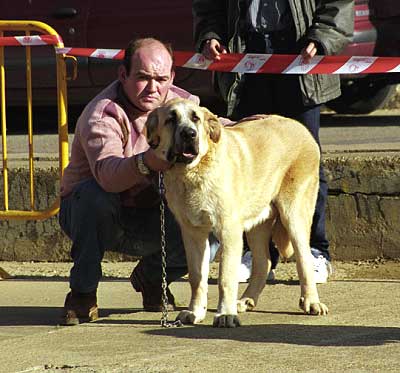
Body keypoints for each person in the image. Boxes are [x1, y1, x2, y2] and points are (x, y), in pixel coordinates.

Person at [193, 0, 354, 283]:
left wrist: (322, 37)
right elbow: (208, 6)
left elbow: (338, 5)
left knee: (305, 162)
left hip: (300, 52)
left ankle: (316, 250)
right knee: (251, 165)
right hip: (246, 53)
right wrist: (211, 34)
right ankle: (258, 255)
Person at [59, 37, 198, 325]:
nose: (153, 88)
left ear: (171, 78)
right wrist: (148, 161)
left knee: (211, 222)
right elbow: (108, 175)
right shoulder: (103, 114)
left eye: (161, 79)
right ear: (123, 75)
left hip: (152, 214)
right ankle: (82, 294)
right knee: (93, 195)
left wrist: (254, 126)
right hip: (101, 215)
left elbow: (215, 126)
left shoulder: (183, 105)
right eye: (143, 78)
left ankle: (151, 278)